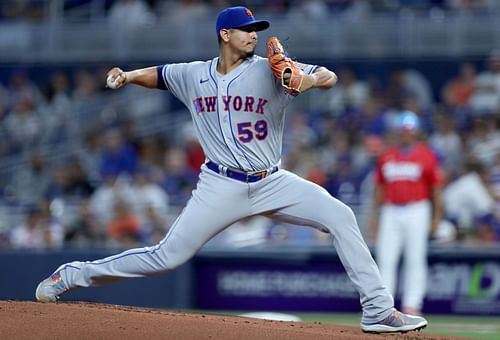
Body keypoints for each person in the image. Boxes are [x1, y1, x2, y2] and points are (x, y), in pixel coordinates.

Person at [35, 6, 427, 333]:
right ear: (225, 34)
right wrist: (128, 76)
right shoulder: (193, 74)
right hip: (220, 184)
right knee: (166, 257)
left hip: (272, 181)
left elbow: (329, 77)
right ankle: (70, 275)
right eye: (246, 30)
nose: (254, 36)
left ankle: (378, 310)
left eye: (256, 30)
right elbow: (160, 75)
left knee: (340, 216)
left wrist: (304, 81)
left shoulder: (270, 69)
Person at [369, 111, 444, 316]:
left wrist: (437, 218)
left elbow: (436, 189)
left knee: (415, 258)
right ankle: (384, 306)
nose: (406, 134)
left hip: (417, 209)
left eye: (409, 131)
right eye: (403, 131)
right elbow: (380, 189)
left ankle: (413, 304)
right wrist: (374, 217)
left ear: (416, 132)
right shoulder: (387, 156)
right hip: (391, 210)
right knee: (386, 258)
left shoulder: (426, 155)